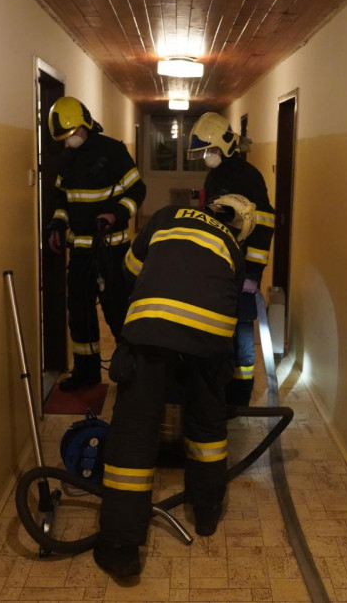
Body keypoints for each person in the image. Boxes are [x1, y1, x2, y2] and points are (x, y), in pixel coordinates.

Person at [92, 194, 255, 577]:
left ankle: (121, 546)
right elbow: (229, 299)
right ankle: (206, 511)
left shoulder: (167, 216)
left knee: (135, 430)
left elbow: (130, 268)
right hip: (210, 337)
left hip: (152, 325)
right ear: (241, 230)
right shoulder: (233, 247)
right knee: (207, 423)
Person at [46, 96, 146, 392]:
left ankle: (132, 372)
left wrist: (116, 214)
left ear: (86, 124)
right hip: (80, 251)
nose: (70, 140)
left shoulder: (114, 152)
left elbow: (137, 191)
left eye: (72, 133)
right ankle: (86, 372)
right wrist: (58, 224)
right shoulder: (66, 160)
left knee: (118, 311)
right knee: (80, 314)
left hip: (112, 250)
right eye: (64, 137)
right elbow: (62, 200)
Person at [187, 112, 275, 406]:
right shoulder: (217, 174)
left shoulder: (248, 177)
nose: (206, 157)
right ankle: (222, 386)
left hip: (242, 267)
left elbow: (264, 224)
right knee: (221, 326)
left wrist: (253, 273)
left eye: (209, 150)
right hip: (221, 264)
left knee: (242, 331)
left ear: (223, 146)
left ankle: (240, 392)